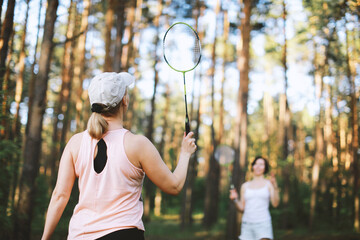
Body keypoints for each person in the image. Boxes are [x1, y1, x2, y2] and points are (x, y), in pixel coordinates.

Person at [41, 72, 197, 240]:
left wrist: (45, 238)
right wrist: (185, 153)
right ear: (125, 100)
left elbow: (60, 196)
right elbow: (173, 186)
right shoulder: (137, 144)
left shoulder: (75, 143)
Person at [229, 156, 280, 240]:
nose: (258, 166)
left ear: (265, 168)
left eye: (261, 164)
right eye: (256, 164)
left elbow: (275, 204)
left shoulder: (269, 184)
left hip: (263, 224)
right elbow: (242, 208)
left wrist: (275, 185)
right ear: (252, 167)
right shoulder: (245, 186)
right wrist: (235, 199)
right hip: (247, 224)